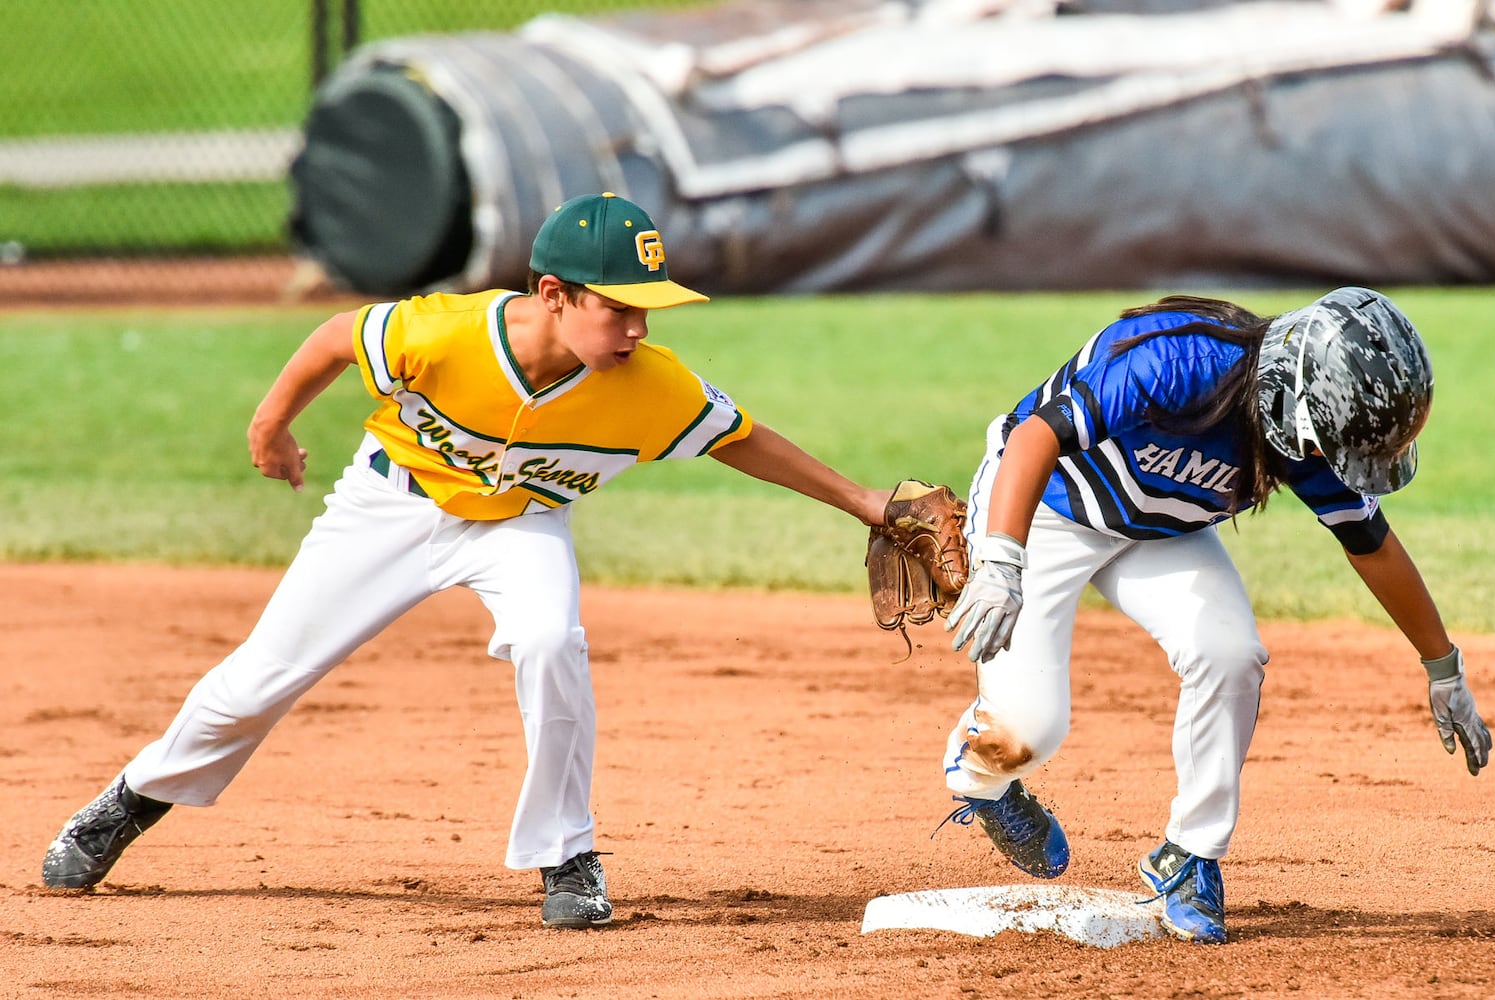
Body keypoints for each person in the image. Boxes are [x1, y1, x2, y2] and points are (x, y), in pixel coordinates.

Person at [41, 192, 893, 930]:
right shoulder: (448, 333)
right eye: (619, 306)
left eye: (648, 310)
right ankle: (133, 800)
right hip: (390, 505)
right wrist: (270, 426)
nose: (638, 327)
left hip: (522, 523)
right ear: (553, 295)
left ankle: (569, 856)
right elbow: (337, 337)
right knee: (263, 676)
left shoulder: (653, 382)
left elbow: (740, 439)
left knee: (551, 640)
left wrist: (866, 503)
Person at [935, 287, 1492, 944]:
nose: (1332, 461)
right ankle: (982, 782)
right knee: (1029, 731)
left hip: (1161, 532)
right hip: (1051, 507)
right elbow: (1034, 437)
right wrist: (1001, 557)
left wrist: (1443, 665)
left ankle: (1190, 857)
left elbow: (1371, 545)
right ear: (1295, 400)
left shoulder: (1304, 433)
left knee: (1230, 654)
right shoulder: (1177, 360)